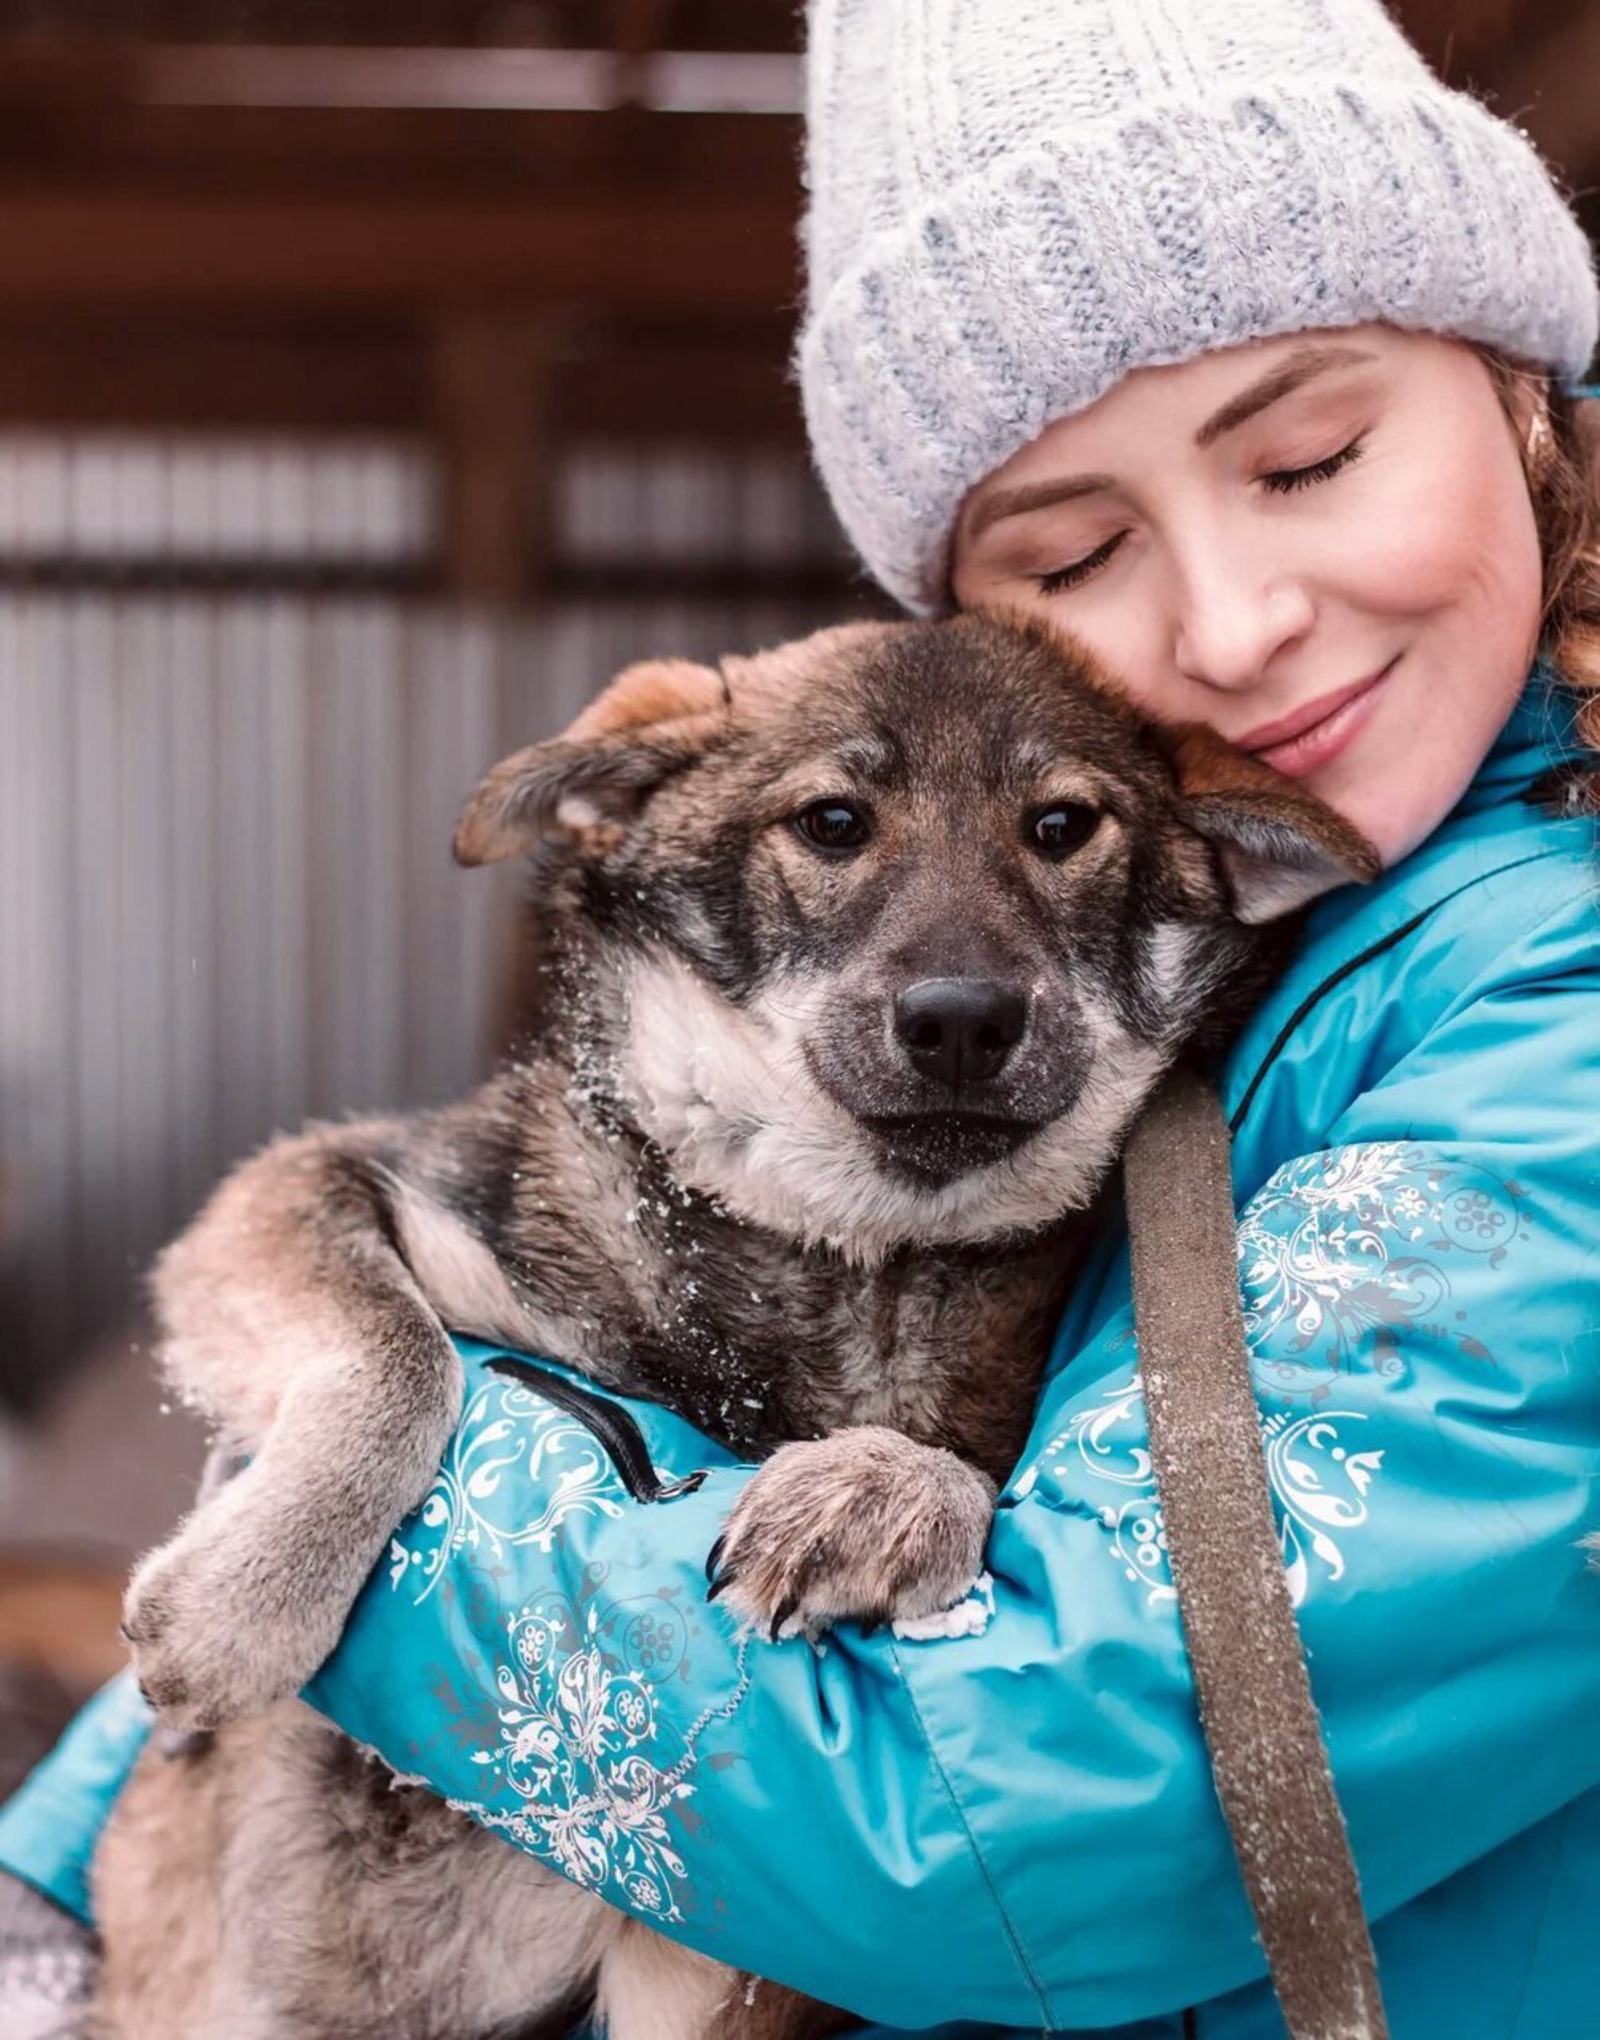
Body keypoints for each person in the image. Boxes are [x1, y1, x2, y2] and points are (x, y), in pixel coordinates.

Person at [3, 2, 1599, 2034]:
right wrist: (60, 1865)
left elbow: (1035, 1812)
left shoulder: (1545, 1009)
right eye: (1078, 553)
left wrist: (387, 1496)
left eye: (1310, 455)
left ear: (1526, 396)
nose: (1228, 619)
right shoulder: (1248, 921)